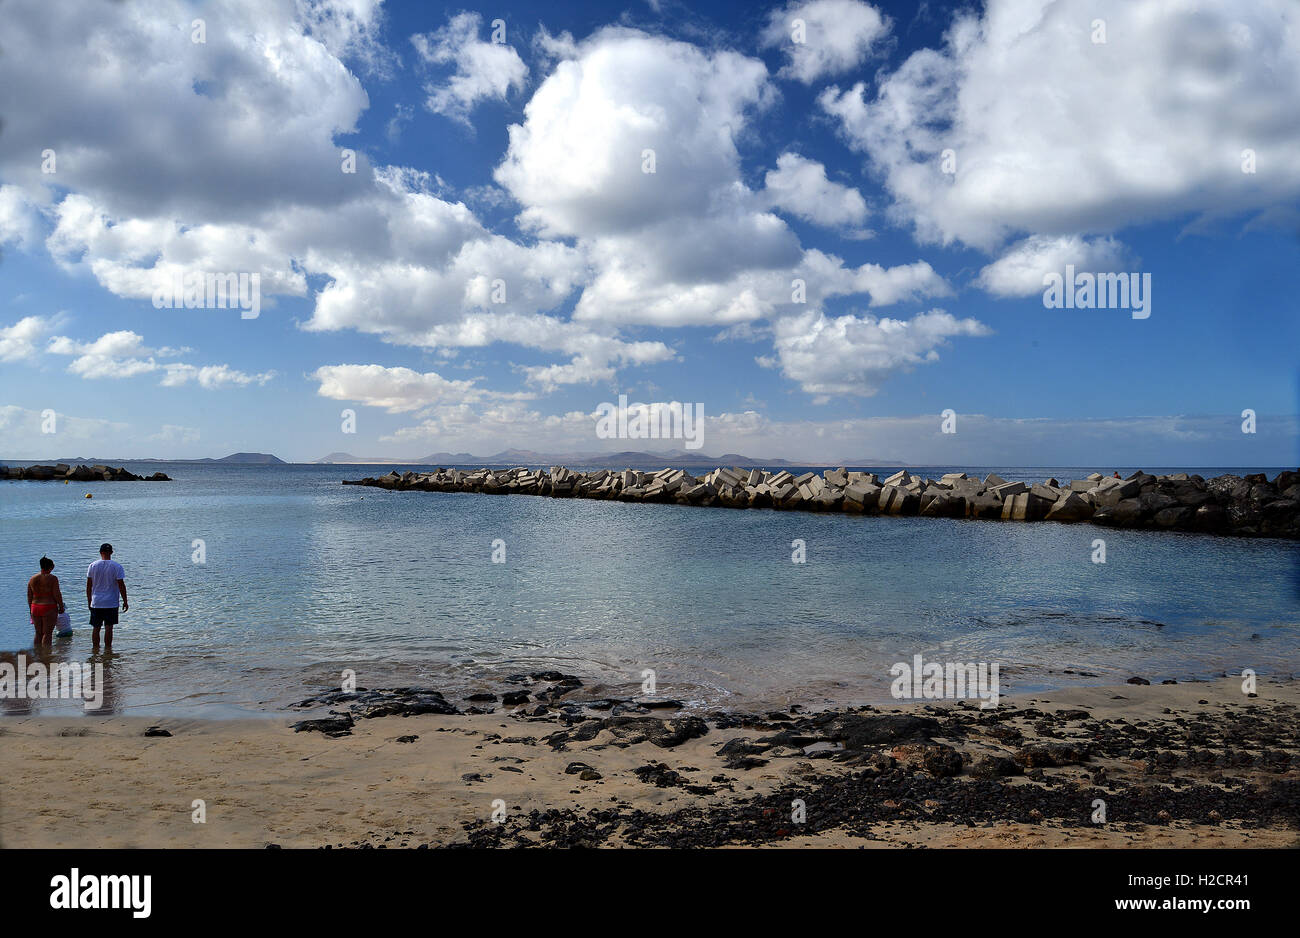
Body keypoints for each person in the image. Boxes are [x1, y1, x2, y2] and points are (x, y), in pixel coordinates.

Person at [87, 543, 127, 650]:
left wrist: (89, 601)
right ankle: (108, 650)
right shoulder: (117, 566)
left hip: (96, 601)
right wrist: (125, 601)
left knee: (96, 627)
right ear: (112, 552)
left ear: (100, 552)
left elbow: (89, 586)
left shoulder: (92, 565)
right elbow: (121, 585)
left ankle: (95, 650)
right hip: (111, 602)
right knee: (109, 627)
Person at [27, 556, 65, 646]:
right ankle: (46, 657)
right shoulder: (53, 578)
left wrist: (31, 609)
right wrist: (61, 606)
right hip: (49, 607)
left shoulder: (32, 579)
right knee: (47, 634)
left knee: (38, 633)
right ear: (51, 567)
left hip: (35, 607)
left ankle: (37, 655)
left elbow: (29, 595)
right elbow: (57, 594)